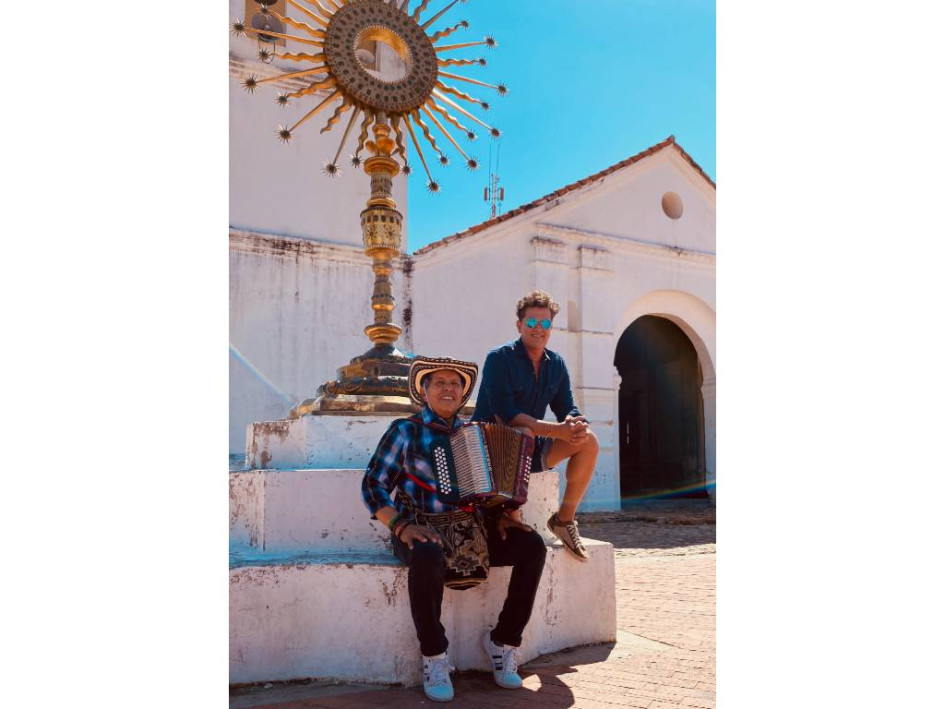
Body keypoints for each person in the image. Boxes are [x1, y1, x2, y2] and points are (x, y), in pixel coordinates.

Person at [362, 356, 547, 703]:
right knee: (427, 553)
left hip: (470, 530)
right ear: (424, 391)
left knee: (532, 546)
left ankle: (504, 642)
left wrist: (504, 514)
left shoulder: (473, 433)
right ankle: (434, 656)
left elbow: (485, 491)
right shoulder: (405, 430)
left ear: (463, 394)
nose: (448, 389)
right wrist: (401, 527)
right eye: (440, 383)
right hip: (420, 527)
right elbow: (373, 485)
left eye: (455, 384)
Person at [472, 290, 600, 562]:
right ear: (519, 325)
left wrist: (576, 423)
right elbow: (506, 413)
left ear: (551, 328)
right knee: (523, 433)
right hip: (489, 449)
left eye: (545, 323)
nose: (538, 329)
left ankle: (564, 520)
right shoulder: (499, 358)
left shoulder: (557, 364)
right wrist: (557, 431)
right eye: (531, 322)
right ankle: (511, 517)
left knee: (588, 440)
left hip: (530, 448)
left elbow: (567, 406)